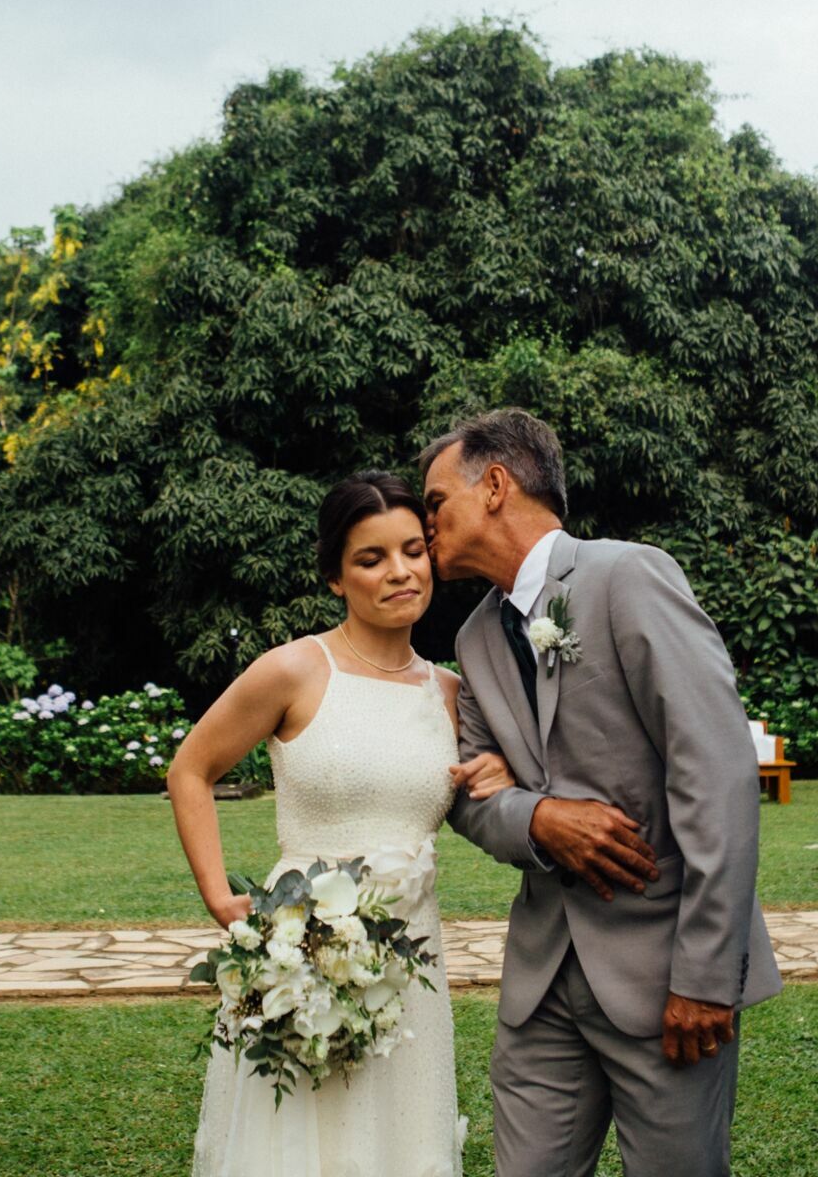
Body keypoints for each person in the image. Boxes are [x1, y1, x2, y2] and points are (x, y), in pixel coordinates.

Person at [423, 409, 783, 1177]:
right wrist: (539, 817)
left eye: (434, 503)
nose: (425, 527)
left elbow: (715, 774)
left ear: (494, 486)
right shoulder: (474, 640)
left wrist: (707, 977)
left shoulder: (628, 575)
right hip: (541, 988)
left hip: (666, 981)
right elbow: (470, 796)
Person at [170, 471, 516, 1177]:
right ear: (334, 576)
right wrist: (219, 895)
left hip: (411, 952)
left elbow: (489, 791)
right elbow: (191, 769)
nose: (399, 572)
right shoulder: (296, 670)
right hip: (296, 944)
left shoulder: (451, 695)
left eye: (413, 551)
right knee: (294, 1131)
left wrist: (501, 774)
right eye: (370, 559)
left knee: (395, 1138)